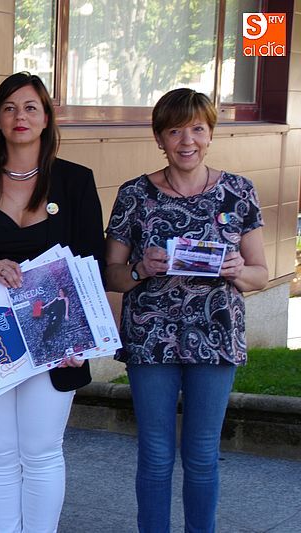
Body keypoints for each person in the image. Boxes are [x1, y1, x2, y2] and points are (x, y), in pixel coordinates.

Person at [0, 72, 105, 532]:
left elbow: (89, 262)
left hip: (55, 337)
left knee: (41, 452)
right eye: (10, 107)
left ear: (47, 118)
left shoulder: (75, 182)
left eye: (31, 107)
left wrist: (84, 338)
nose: (20, 116)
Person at [105, 88, 268, 533]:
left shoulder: (238, 192)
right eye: (175, 130)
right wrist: (140, 268)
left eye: (197, 128)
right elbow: (112, 274)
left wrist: (238, 269)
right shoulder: (134, 194)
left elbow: (261, 274)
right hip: (150, 337)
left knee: (201, 454)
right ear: (159, 138)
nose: (186, 140)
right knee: (155, 455)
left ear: (211, 133)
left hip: (215, 337)